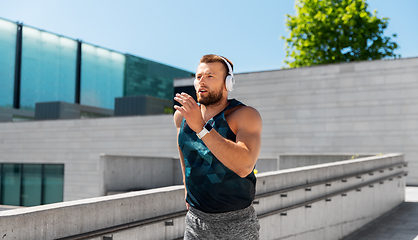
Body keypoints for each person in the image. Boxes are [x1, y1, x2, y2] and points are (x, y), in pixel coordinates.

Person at [173, 54, 262, 239]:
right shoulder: (183, 117)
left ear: (227, 83)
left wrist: (201, 128)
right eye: (198, 77)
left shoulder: (244, 115)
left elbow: (244, 165)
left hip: (237, 224)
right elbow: (184, 145)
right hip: (195, 221)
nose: (201, 82)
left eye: (210, 76)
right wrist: (186, 185)